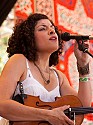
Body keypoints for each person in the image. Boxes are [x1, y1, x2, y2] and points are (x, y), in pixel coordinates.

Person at [0, 13, 92, 125]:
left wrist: (83, 66)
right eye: (42, 28)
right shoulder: (19, 61)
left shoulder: (59, 77)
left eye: (53, 28)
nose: (52, 31)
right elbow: (2, 104)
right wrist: (48, 115)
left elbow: (82, 106)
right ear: (29, 38)